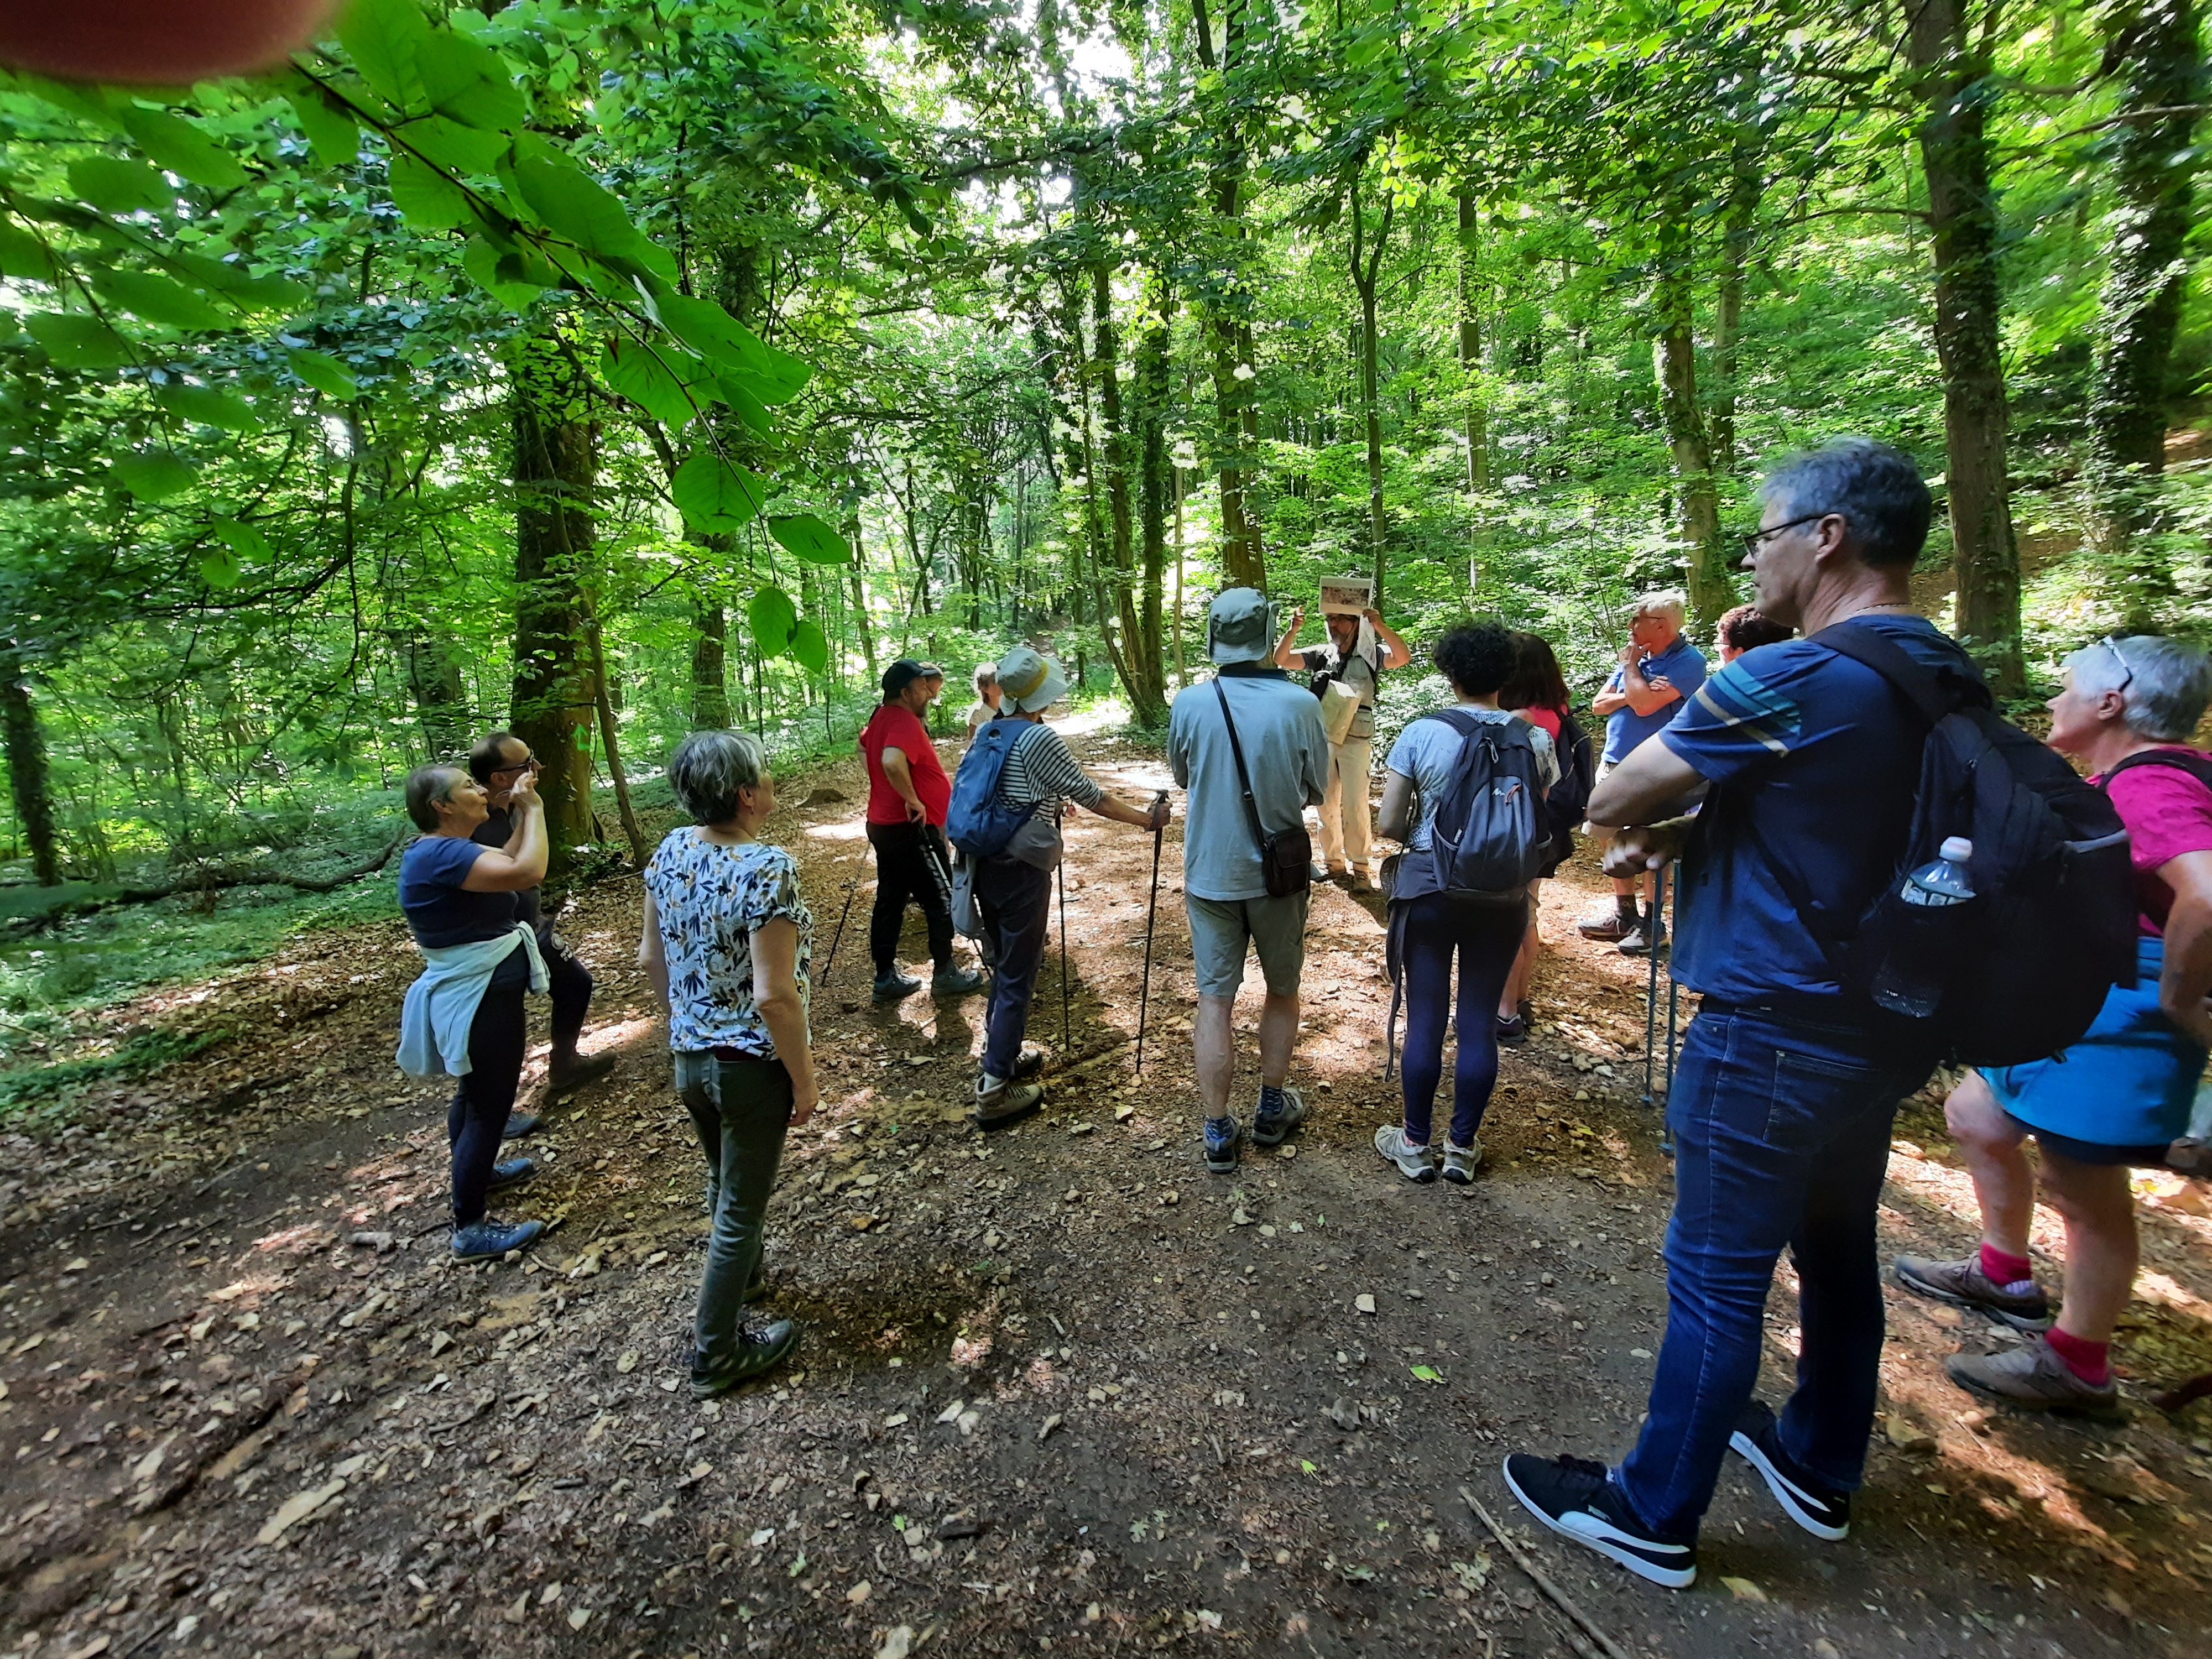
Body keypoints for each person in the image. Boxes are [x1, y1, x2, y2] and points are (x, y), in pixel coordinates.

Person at [1504, 436, 1976, 1589]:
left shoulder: (1793, 674)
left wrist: (1664, 803)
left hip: (1769, 1025)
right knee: (1835, 1250)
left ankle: (1648, 1512)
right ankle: (1818, 1462)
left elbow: (1611, 791)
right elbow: (1834, 820)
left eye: (1765, 534)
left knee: (1716, 1279)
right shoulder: (1942, 670)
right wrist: (1704, 820)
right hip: (1883, 1019)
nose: (1752, 560)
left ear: (1827, 537)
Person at [1895, 635, 2212, 1417]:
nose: (2056, 698)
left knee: (2085, 1187)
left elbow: (2205, 896)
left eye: (2071, 686)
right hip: (2080, 998)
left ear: (2115, 702)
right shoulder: (2135, 777)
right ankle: (2004, 1272)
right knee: (1975, 1115)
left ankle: (2079, 1364)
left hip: (2124, 1012)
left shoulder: (2153, 788)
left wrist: (2179, 998)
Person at [638, 729, 816, 1397]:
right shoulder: (766, 868)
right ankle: (716, 1351)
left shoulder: (671, 850)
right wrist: (803, 1079)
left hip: (692, 1060)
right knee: (741, 1206)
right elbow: (775, 997)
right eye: (764, 775)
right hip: (747, 1066)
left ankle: (746, 1277)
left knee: (724, 1182)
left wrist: (685, 1029)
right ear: (746, 795)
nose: (770, 782)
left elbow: (651, 961)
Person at [1374, 623, 1558, 1185]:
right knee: (1477, 1019)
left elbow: (1387, 824)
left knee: (1426, 1018)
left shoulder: (1422, 733)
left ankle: (1413, 1142)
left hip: (1430, 888)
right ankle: (1461, 1146)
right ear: (1507, 676)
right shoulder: (1534, 740)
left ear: (1448, 673)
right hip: (1503, 899)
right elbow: (1529, 821)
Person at [967, 645, 1171, 1125]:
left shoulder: (988, 732)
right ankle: (994, 1090)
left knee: (1004, 965)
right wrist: (1146, 821)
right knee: (1020, 972)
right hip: (1022, 869)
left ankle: (1002, 1053)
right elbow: (1093, 796)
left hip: (984, 863)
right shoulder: (1040, 739)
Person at [1167, 589, 1333, 1173]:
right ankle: (1269, 1107)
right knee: (1282, 989)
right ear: (1266, 638)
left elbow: (1183, 775)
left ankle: (1216, 1130)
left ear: (1215, 639)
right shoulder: (1299, 705)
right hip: (1278, 875)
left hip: (1210, 872)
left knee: (1214, 999)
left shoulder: (1189, 702)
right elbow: (1318, 788)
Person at [393, 764, 554, 1263]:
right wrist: (536, 810)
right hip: (478, 991)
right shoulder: (440, 853)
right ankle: (469, 1227)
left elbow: (507, 857)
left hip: (482, 986)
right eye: (467, 787)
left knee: (476, 1094)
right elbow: (528, 871)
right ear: (441, 806)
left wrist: (522, 808)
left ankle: (479, 1174)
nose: (480, 790)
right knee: (490, 1103)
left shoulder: (444, 852)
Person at [466, 732, 616, 1125]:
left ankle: (564, 1064)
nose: (538, 768)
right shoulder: (470, 818)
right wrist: (531, 811)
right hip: (493, 941)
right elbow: (517, 867)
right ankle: (491, 1112)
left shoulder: (514, 806)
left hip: (533, 927)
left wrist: (526, 809)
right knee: (499, 1029)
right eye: (526, 763)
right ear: (499, 777)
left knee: (576, 983)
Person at [1577, 591, 1707, 954]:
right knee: (1610, 835)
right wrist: (1633, 691)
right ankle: (1624, 915)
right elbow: (1599, 704)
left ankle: (1654, 925)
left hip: (1656, 771)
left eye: (1638, 620)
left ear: (1661, 625)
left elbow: (1647, 707)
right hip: (1616, 762)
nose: (1631, 626)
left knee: (1648, 842)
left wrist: (1632, 674)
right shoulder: (1639, 657)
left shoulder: (1688, 660)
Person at [858, 659, 987, 1004]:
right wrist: (912, 799)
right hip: (911, 829)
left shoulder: (880, 717)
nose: (928, 692)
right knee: (941, 897)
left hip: (884, 825)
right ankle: (945, 972)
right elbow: (890, 761)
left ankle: (885, 976)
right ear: (905, 692)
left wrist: (891, 791)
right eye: (922, 687)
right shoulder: (902, 720)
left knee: (891, 898)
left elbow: (864, 748)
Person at [1272, 598, 1412, 891]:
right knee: (1325, 802)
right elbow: (1282, 660)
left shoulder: (1371, 653)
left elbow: (1402, 658)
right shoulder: (1321, 654)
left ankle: (1360, 867)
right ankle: (1333, 862)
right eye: (1330, 619)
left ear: (1355, 623)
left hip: (1357, 738)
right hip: (1324, 737)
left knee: (1356, 803)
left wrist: (1379, 626)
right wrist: (1292, 631)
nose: (1333, 624)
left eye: (1340, 619)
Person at [1497, 632, 1584, 1045]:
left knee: (1513, 916)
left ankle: (1505, 1011)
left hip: (1522, 833)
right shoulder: (1556, 710)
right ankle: (1520, 997)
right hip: (1545, 831)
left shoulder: (1524, 721)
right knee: (1528, 912)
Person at [1715, 603, 1793, 662]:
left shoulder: (1724, 682)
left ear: (1740, 654)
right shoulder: (1800, 671)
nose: (1718, 649)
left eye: (1721, 644)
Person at [965, 665, 1003, 746]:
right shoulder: (979, 714)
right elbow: (973, 744)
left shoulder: (1009, 708)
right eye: (995, 682)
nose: (1000, 684)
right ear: (985, 689)